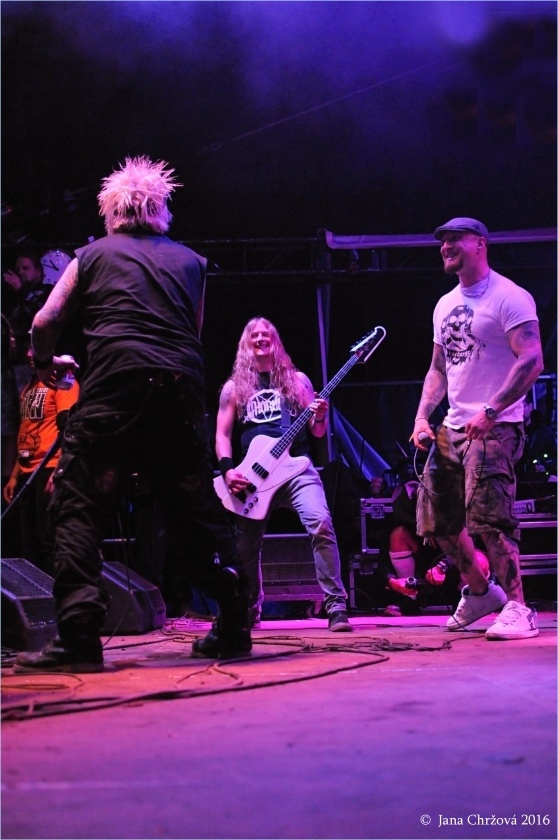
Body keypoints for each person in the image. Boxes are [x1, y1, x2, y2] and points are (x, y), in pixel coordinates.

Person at [14, 155, 251, 673]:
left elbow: (44, 321)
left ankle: (80, 636)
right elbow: (191, 331)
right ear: (161, 209)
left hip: (114, 390)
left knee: (78, 506)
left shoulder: (90, 256)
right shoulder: (192, 263)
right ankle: (234, 624)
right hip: (178, 391)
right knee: (194, 512)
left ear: (111, 211)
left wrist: (45, 363)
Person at [412, 217, 544, 640]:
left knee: (489, 519)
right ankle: (481, 592)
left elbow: (532, 359)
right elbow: (438, 369)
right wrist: (422, 417)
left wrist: (492, 409)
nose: (445, 246)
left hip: (496, 426)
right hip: (453, 426)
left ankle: (520, 608)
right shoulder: (444, 304)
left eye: (455, 239)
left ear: (480, 244)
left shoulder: (509, 296)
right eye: (442, 241)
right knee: (436, 520)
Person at [215, 316, 353, 632]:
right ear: (246, 344)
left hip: (296, 469)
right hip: (253, 478)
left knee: (320, 522)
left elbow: (317, 432)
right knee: (245, 549)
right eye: (254, 334)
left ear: (275, 341)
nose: (260, 338)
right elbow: (222, 435)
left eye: (266, 333)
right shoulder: (234, 388)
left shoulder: (298, 381)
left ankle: (335, 606)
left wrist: (321, 416)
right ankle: (249, 609)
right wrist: (227, 471)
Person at [3, 345, 80, 574]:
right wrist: (14, 476)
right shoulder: (29, 389)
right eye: (28, 349)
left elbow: (69, 430)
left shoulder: (63, 381)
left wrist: (59, 472)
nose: (29, 355)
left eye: (35, 348)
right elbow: (26, 432)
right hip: (27, 472)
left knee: (46, 539)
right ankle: (33, 592)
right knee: (28, 544)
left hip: (49, 468)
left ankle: (51, 592)